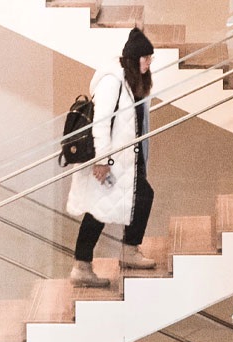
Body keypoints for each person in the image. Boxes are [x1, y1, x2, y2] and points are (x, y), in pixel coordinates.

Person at [65, 27, 159, 288]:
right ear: (133, 58)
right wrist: (102, 160)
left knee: (117, 204)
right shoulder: (112, 81)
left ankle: (107, 257)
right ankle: (86, 265)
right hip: (109, 162)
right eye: (145, 58)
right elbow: (101, 123)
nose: (149, 63)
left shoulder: (134, 82)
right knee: (98, 211)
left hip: (127, 161)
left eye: (150, 58)